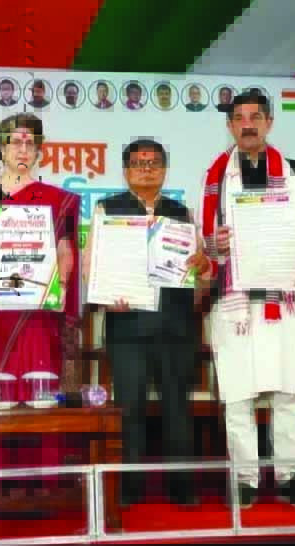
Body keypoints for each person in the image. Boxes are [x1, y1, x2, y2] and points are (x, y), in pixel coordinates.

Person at [199, 90, 295, 508]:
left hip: (283, 298)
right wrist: (212, 244)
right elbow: (204, 242)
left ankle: (289, 476)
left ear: (269, 123)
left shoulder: (294, 171)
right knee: (238, 394)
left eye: (255, 117)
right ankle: (245, 478)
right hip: (234, 301)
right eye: (239, 118)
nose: (247, 124)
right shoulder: (215, 175)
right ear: (230, 125)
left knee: (287, 393)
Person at [82, 139, 212, 507]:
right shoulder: (108, 210)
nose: (147, 169)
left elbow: (201, 270)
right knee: (130, 410)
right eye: (138, 163)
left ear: (165, 170)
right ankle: (129, 488)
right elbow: (91, 266)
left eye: (154, 162)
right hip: (128, 326)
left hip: (175, 325)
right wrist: (107, 295)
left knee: (177, 408)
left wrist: (202, 266)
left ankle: (182, 487)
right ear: (125, 171)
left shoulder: (182, 213)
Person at [0, 113, 80, 498]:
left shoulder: (58, 199)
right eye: (15, 142)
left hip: (38, 307)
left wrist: (57, 289)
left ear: (39, 151)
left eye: (30, 143)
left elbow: (65, 251)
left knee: (39, 387)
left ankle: (44, 479)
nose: (23, 149)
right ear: (1, 148)